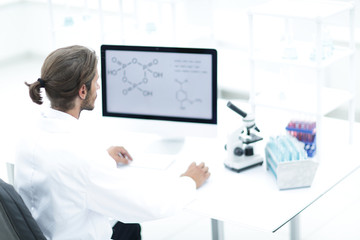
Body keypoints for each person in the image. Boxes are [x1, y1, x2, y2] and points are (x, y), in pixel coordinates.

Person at [15, 45, 210, 240]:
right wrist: (189, 181)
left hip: (48, 232)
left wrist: (100, 160)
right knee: (130, 222)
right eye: (96, 81)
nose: (98, 87)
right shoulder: (85, 158)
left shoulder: (27, 135)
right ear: (83, 90)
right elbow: (147, 206)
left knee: (128, 228)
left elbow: (63, 168)